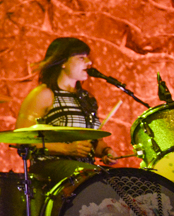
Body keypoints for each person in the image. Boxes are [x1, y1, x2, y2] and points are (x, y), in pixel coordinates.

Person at [15, 37, 116, 187]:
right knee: (95, 180)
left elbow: (94, 141)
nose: (89, 63)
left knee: (120, 181)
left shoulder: (87, 98)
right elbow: (22, 139)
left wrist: (106, 151)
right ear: (63, 62)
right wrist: (66, 149)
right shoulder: (44, 94)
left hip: (85, 171)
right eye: (81, 58)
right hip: (51, 167)